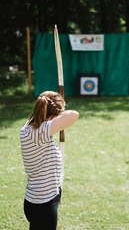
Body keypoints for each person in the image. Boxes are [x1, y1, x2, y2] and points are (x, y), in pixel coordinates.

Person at [20, 91, 79, 230]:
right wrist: (59, 112)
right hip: (44, 203)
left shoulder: (28, 127)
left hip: (33, 200)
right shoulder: (41, 132)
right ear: (53, 116)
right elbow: (74, 115)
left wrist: (56, 109)